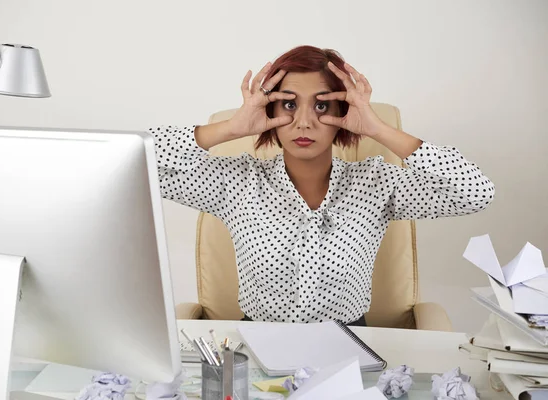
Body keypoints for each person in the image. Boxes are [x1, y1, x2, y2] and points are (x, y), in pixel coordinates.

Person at [149, 45, 495, 326]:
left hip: (350, 351)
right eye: (288, 104)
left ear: (342, 111)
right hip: (257, 349)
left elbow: (475, 192)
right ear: (269, 111)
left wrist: (377, 128)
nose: (304, 122)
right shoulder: (235, 182)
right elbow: (137, 162)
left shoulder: (377, 182)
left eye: (322, 105)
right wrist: (230, 128)